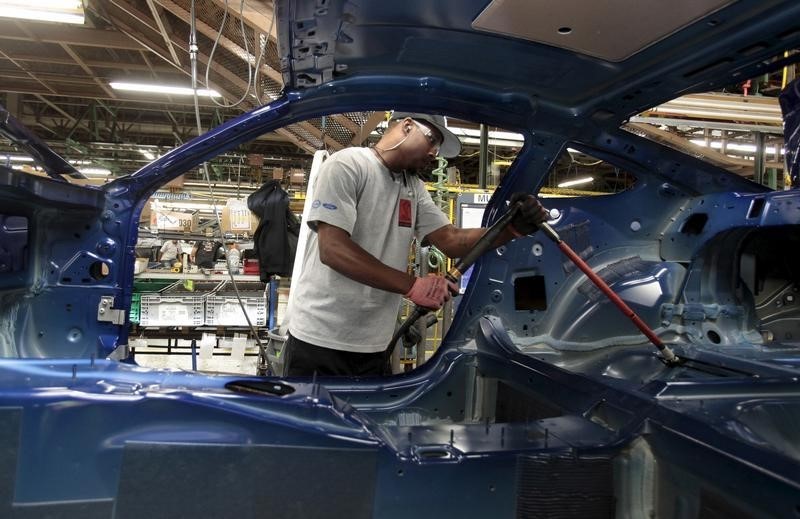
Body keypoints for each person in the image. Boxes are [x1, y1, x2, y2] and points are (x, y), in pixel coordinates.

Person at [284, 112, 547, 377]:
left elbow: (452, 241)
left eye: (438, 148)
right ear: (407, 126)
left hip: (375, 346)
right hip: (319, 341)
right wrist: (413, 286)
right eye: (432, 140)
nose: (434, 153)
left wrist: (510, 228)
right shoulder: (349, 164)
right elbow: (333, 250)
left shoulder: (413, 187)